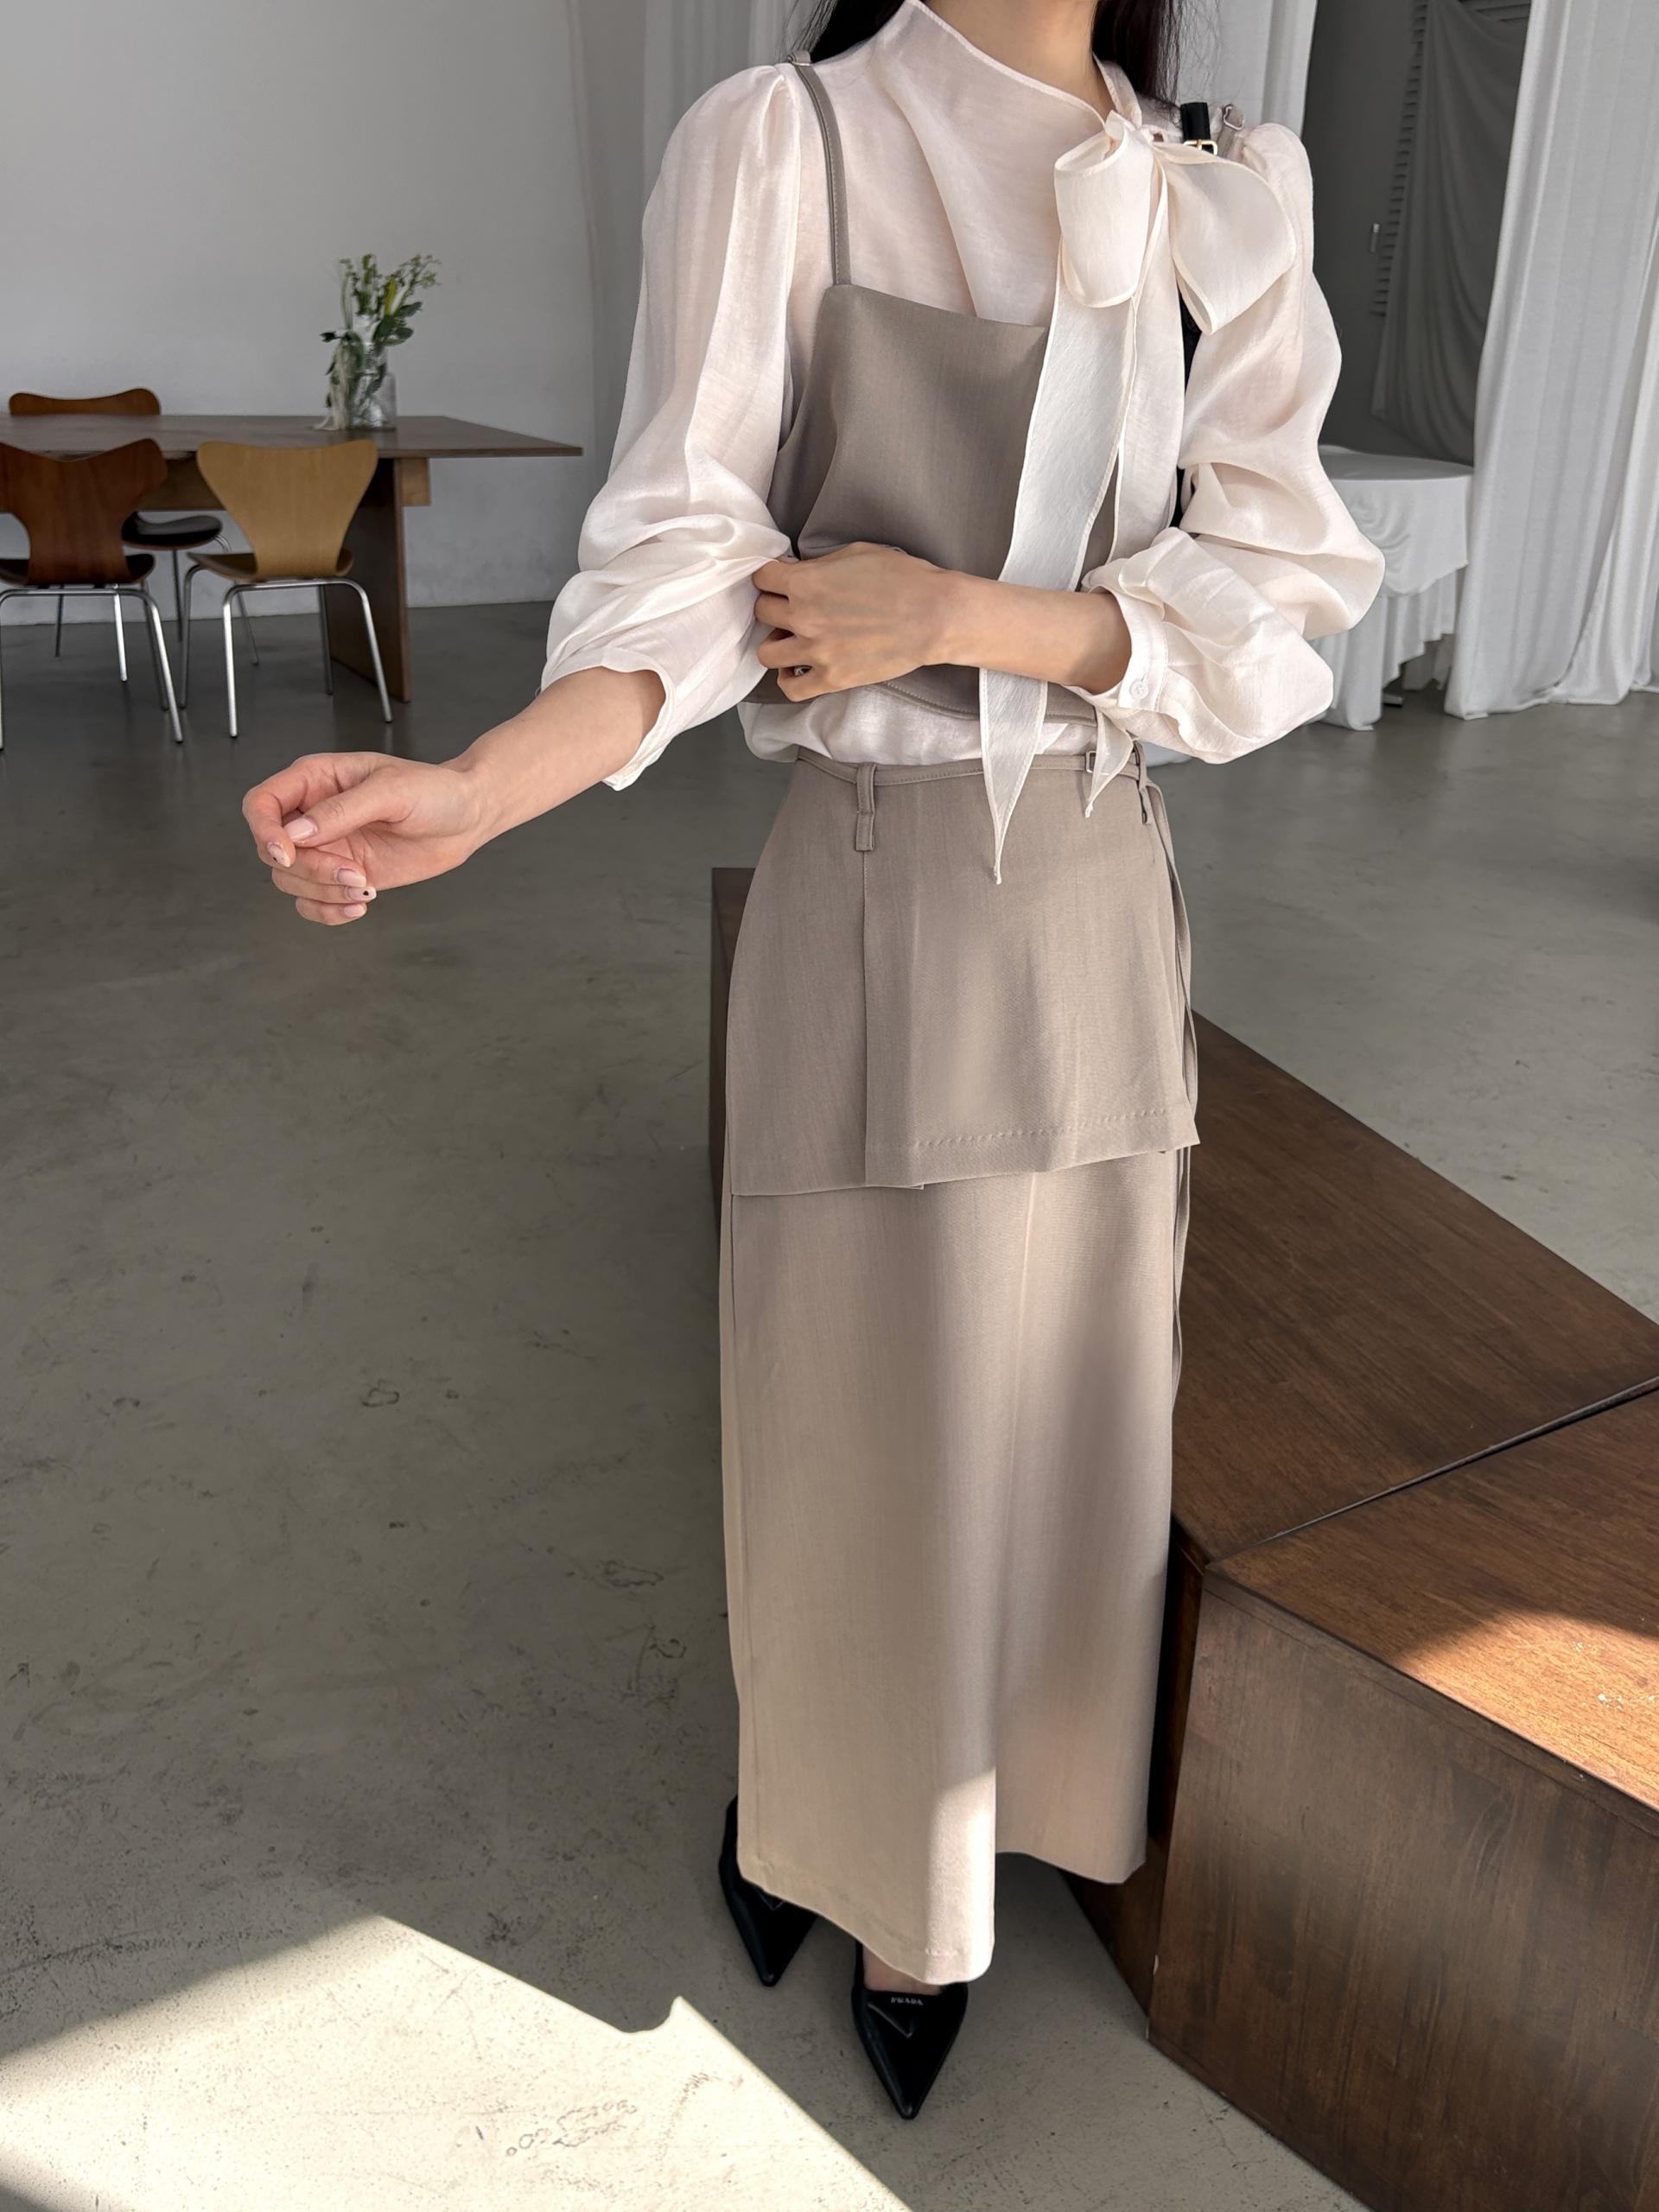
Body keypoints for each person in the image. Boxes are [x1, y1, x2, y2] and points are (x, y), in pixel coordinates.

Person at [242, 0, 1384, 2120]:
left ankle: (996, 1818)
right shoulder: (793, 141)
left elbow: (1283, 595)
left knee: (1074, 1420)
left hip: (1103, 899)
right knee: (852, 1425)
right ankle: (852, 1853)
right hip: (875, 898)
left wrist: (960, 614)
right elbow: (682, 562)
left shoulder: (1237, 185)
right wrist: (482, 787)